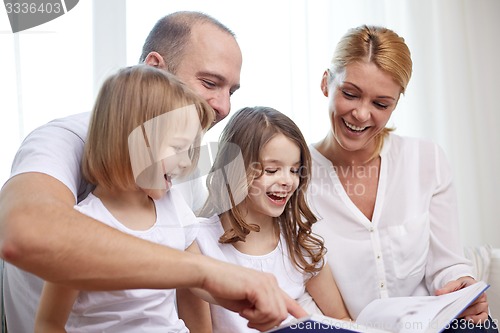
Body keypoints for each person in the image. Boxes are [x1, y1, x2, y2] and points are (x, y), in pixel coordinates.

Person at [0, 11, 305, 333]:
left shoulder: (171, 167)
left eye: (232, 91)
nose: (225, 107)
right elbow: (23, 234)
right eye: (210, 83)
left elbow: (182, 273)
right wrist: (205, 271)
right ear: (153, 70)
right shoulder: (62, 140)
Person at [307, 24, 494, 330]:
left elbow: (447, 264)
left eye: (381, 104)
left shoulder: (426, 160)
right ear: (327, 83)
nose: (362, 114)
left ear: (396, 103)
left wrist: (462, 286)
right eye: (350, 94)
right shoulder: (293, 176)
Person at [35, 64, 215, 333]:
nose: (186, 162)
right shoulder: (82, 228)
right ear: (132, 141)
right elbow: (49, 323)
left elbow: (205, 281)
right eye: (178, 147)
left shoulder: (173, 205)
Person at [186, 106, 352, 332]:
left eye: (294, 170)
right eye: (272, 170)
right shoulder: (197, 243)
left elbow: (341, 319)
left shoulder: (299, 246)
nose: (288, 181)